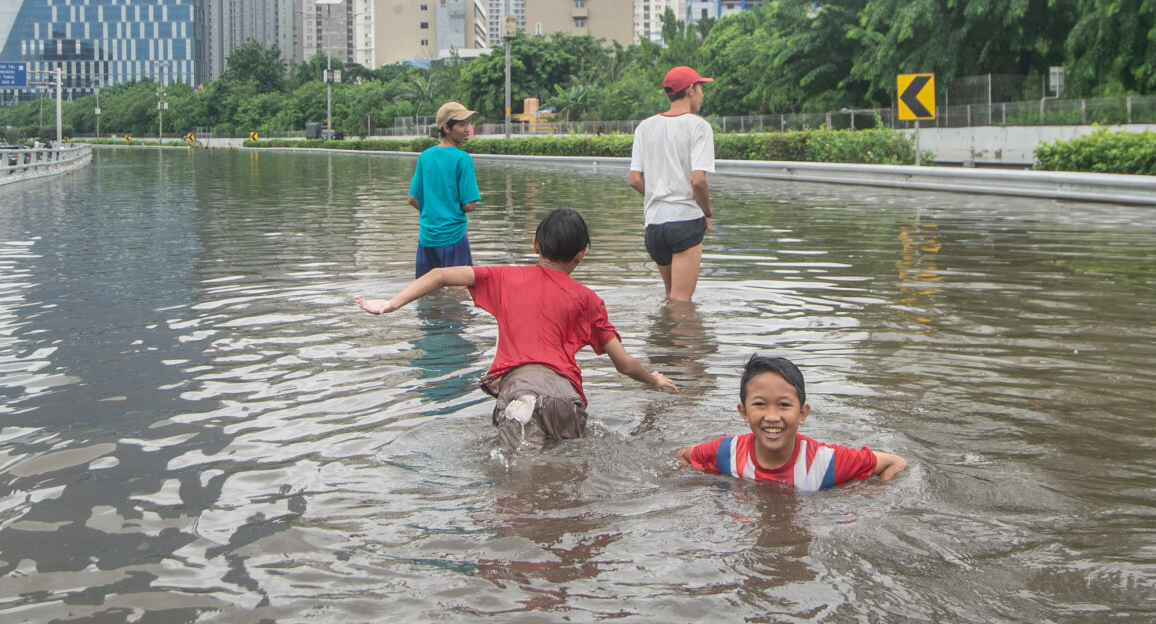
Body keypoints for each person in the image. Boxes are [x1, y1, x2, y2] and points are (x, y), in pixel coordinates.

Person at [356, 208, 679, 454]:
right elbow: (624, 364)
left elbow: (440, 274)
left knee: (519, 481)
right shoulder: (589, 300)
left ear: (535, 244)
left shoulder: (505, 278)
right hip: (568, 398)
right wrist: (656, 380)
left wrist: (391, 304)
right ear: (581, 256)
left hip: (522, 393)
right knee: (570, 472)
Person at [677, 354, 907, 491]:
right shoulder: (726, 452)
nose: (772, 416)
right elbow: (686, 454)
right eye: (760, 404)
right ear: (744, 412)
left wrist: (872, 496)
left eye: (784, 405)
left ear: (802, 414)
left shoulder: (826, 462)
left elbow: (895, 462)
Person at [629, 65, 716, 301]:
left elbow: (635, 179)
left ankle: (662, 339)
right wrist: (707, 213)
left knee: (670, 297)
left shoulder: (645, 127)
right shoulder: (699, 126)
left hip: (654, 225)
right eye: (700, 88)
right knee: (682, 302)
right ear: (690, 90)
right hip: (684, 221)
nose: (702, 94)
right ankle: (681, 338)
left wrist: (660, 195)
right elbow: (698, 180)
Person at [407, 101, 482, 278]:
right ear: (446, 128)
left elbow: (412, 198)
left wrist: (433, 211)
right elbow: (470, 205)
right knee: (457, 294)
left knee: (426, 293)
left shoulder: (425, 156)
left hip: (427, 238)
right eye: (462, 124)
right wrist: (450, 208)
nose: (467, 129)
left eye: (468, 123)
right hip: (454, 237)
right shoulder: (463, 159)